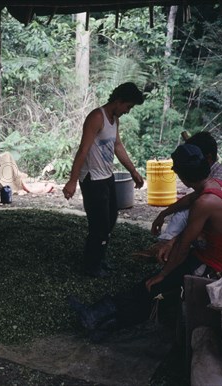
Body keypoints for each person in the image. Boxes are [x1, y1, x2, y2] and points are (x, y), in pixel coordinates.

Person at [68, 144, 222, 341]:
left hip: (216, 268)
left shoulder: (205, 203)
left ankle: (107, 324)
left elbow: (183, 246)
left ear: (183, 176)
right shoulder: (215, 185)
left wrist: (164, 274)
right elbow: (189, 201)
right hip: (209, 256)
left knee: (153, 287)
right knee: (148, 284)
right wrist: (164, 213)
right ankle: (99, 315)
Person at [62, 82, 145, 277]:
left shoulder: (114, 119)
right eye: (128, 106)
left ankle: (99, 258)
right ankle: (91, 266)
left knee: (111, 219)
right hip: (92, 179)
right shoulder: (96, 117)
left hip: (107, 176)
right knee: (99, 224)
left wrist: (133, 171)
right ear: (118, 101)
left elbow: (117, 146)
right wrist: (72, 181)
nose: (128, 111)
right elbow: (83, 150)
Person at [137, 131, 222, 263]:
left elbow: (193, 220)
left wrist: (164, 273)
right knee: (184, 209)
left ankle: (165, 247)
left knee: (189, 213)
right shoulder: (213, 176)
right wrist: (164, 213)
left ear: (207, 158)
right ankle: (164, 244)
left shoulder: (216, 184)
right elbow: (191, 198)